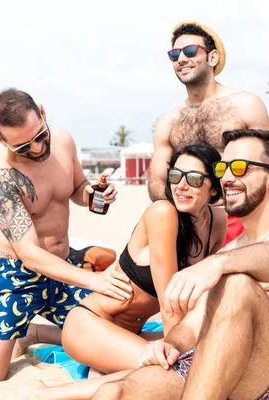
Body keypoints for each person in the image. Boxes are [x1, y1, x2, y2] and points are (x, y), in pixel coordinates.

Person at [83, 129, 269, 400]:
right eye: (223, 168)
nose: (228, 177)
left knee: (237, 284)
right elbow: (194, 323)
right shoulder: (231, 249)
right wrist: (171, 344)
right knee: (113, 392)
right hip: (218, 363)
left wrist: (217, 265)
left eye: (241, 168)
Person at [0, 88, 133, 385]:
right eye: (22, 146)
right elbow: (29, 253)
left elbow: (76, 187)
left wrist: (94, 195)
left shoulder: (64, 141)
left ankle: (34, 333)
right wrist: (94, 279)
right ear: (1, 140)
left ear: (42, 113)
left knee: (115, 331)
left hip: (63, 268)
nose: (36, 148)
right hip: (15, 277)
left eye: (40, 136)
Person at [60, 143, 227, 374]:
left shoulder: (217, 221)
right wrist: (177, 351)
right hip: (92, 324)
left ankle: (98, 366)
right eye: (176, 176)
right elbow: (169, 305)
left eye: (195, 179)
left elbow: (206, 292)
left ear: (214, 189)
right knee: (171, 369)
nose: (182, 186)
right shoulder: (163, 213)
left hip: (133, 333)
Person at [148, 20, 269, 245]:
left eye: (190, 51)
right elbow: (157, 183)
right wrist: (193, 206)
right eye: (175, 54)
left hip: (240, 218)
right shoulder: (169, 121)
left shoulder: (246, 105)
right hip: (190, 225)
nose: (181, 59)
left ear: (212, 58)